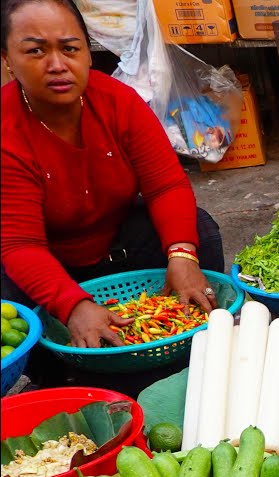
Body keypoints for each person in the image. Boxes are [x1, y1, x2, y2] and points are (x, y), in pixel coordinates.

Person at [1, 0, 224, 348]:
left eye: (70, 49)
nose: (57, 65)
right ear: (7, 60)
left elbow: (166, 186)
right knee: (12, 294)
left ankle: (200, 341)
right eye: (36, 51)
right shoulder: (7, 129)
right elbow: (21, 244)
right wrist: (72, 304)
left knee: (199, 230)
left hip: (114, 240)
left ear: (88, 54)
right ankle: (59, 369)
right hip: (47, 258)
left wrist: (182, 254)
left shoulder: (118, 101)